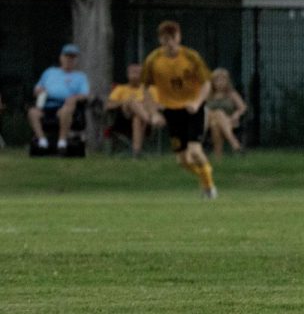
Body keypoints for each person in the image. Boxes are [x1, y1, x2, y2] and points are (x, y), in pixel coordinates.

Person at [141, 20, 218, 198]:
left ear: (179, 37)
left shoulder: (191, 57)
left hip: (192, 109)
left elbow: (206, 83)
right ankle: (206, 174)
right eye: (165, 39)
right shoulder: (153, 60)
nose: (170, 43)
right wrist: (153, 113)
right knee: (182, 160)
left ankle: (209, 188)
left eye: (173, 38)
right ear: (160, 40)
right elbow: (145, 88)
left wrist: (197, 103)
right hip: (171, 110)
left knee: (195, 151)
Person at [28, 43, 90, 153]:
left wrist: (74, 97)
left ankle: (62, 141)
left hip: (65, 105)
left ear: (76, 60)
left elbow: (85, 94)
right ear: (61, 57)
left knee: (67, 108)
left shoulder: (80, 77)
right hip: (47, 105)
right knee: (32, 112)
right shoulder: (49, 72)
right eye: (67, 56)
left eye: (72, 57)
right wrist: (39, 91)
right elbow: (37, 89)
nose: (69, 60)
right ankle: (42, 140)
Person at [105, 63, 164, 157]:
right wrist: (125, 102)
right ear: (127, 74)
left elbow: (161, 106)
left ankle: (136, 152)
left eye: (137, 72)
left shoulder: (152, 89)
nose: (134, 75)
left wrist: (144, 105)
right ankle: (150, 119)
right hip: (123, 120)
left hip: (143, 123)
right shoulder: (120, 89)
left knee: (137, 118)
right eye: (132, 72)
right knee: (131, 101)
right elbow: (108, 105)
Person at [205, 68, 248, 160]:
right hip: (207, 121)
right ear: (213, 82)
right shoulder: (208, 95)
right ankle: (234, 143)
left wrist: (236, 114)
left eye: (222, 80)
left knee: (215, 125)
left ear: (227, 81)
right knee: (218, 113)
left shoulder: (232, 94)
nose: (220, 83)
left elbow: (243, 107)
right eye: (217, 80)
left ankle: (218, 157)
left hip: (228, 121)